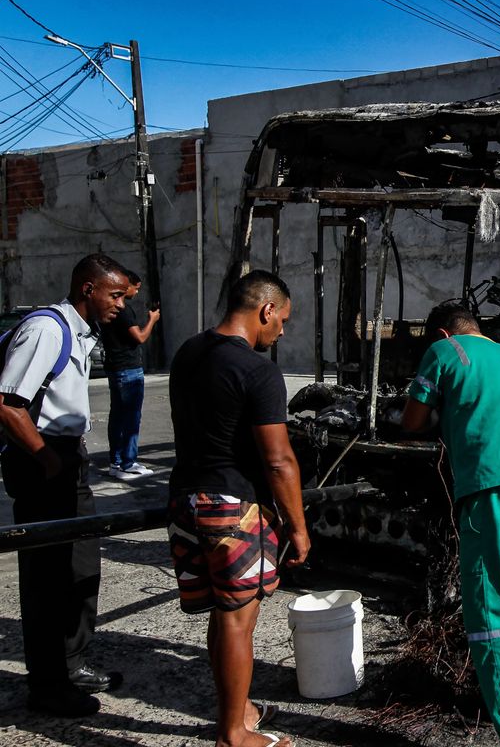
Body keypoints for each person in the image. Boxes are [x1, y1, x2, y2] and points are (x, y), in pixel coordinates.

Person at [401, 303, 500, 747]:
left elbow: (412, 420)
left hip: (493, 489)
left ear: (440, 332)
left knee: (492, 621)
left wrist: (439, 415)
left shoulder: (445, 351)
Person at [167, 270, 309, 747]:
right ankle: (233, 734)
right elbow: (278, 460)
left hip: (184, 500)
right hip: (231, 505)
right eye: (283, 319)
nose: (282, 331)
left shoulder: (188, 352)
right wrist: (299, 527)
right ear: (266, 310)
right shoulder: (258, 371)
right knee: (238, 618)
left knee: (221, 612)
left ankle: (240, 708)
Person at [0, 253, 129, 716]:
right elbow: (9, 404)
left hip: (67, 459)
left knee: (80, 568)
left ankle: (71, 664)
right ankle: (47, 686)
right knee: (46, 580)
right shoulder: (47, 329)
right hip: (43, 464)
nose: (121, 304)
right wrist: (48, 460)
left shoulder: (80, 332)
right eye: (114, 295)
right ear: (87, 290)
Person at [99, 270, 160, 480]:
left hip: (115, 367)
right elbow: (140, 337)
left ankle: (116, 461)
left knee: (117, 417)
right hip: (128, 368)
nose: (136, 292)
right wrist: (152, 320)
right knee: (130, 418)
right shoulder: (124, 310)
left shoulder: (109, 309)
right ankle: (127, 462)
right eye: (136, 287)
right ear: (128, 286)